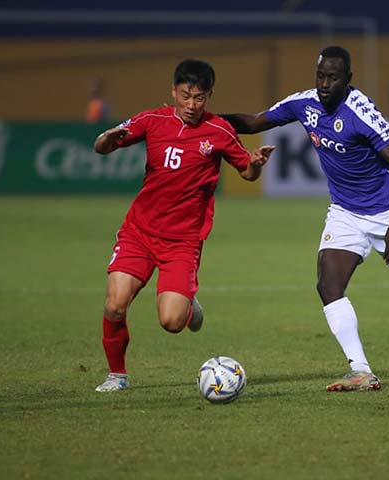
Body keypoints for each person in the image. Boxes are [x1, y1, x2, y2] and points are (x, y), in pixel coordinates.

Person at [223, 46, 389, 392]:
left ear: (348, 79)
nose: (325, 84)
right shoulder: (303, 103)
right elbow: (253, 122)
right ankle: (361, 370)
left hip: (386, 212)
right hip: (344, 212)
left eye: (333, 78)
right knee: (328, 286)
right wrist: (208, 120)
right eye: (320, 76)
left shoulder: (360, 112)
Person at [93, 59, 275, 392]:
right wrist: (107, 138)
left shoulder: (219, 131)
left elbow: (246, 173)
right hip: (139, 231)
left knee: (171, 322)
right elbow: (102, 148)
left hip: (183, 241)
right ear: (173, 91)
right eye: (186, 95)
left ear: (210, 96)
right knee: (115, 304)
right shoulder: (151, 120)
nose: (192, 105)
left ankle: (187, 307)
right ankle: (117, 376)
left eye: (200, 97)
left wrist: (256, 164)